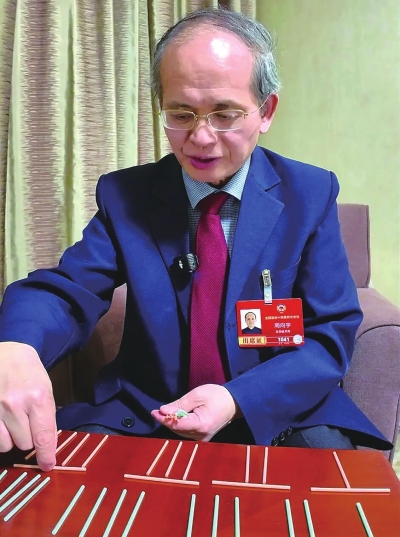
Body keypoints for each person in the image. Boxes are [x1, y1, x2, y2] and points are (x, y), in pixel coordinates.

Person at [0, 8, 392, 472]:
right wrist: (17, 345)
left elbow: (329, 334)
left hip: (278, 411)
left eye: (225, 114)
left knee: (331, 492)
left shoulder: (308, 193)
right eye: (180, 114)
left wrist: (235, 399)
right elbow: (67, 290)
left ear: (266, 111)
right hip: (151, 411)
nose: (201, 138)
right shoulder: (127, 195)